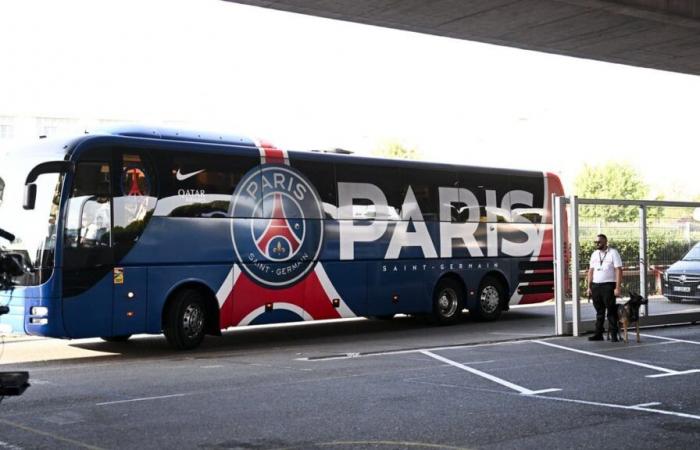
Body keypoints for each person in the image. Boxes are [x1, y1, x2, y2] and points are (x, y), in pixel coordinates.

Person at [586, 234, 623, 341]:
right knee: (599, 311)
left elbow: (618, 270)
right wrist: (589, 287)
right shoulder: (594, 254)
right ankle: (598, 334)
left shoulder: (613, 253)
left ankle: (614, 335)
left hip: (608, 285)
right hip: (596, 286)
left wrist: (617, 287)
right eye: (596, 242)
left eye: (599, 242)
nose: (597, 244)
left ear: (605, 242)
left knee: (611, 311)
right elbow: (590, 271)